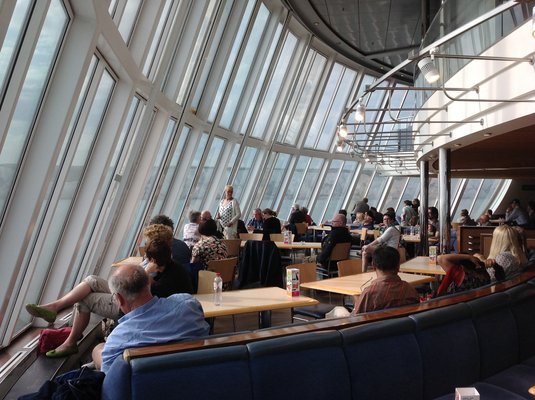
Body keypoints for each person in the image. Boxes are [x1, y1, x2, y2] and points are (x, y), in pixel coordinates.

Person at [25, 239, 193, 358]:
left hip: (133, 306)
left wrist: (146, 272)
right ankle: (55, 307)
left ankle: (71, 342)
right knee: (92, 280)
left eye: (148, 258)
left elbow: (141, 294)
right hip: (131, 295)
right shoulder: (171, 268)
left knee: (85, 299)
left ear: (153, 259)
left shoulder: (169, 279)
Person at [92, 264, 210, 373]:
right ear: (148, 283)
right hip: (201, 375)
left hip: (149, 386)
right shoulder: (189, 304)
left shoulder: (119, 339)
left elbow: (109, 378)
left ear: (119, 299)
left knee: (98, 350)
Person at [352, 246, 419, 314]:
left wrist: (356, 304)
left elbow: (356, 318)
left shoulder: (369, 294)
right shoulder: (410, 290)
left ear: (373, 266)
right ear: (398, 266)